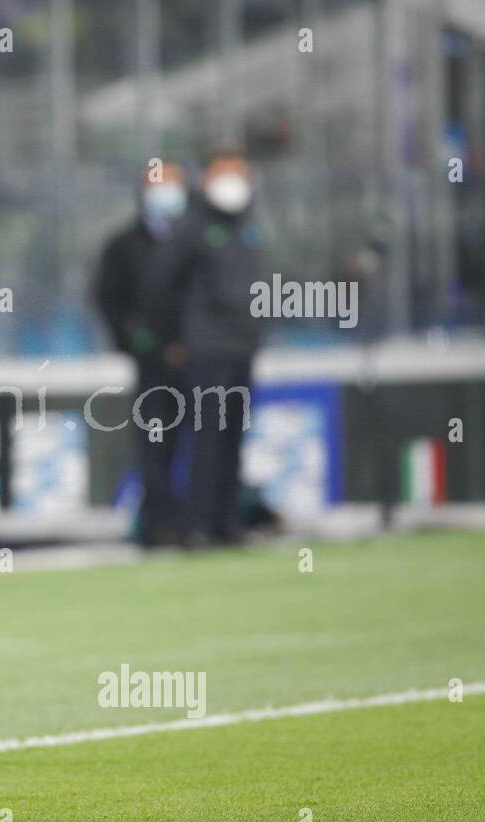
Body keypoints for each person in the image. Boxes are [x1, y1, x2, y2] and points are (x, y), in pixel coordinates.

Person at [156, 148, 265, 548]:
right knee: (206, 437)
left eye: (239, 172)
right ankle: (197, 525)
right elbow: (165, 286)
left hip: (241, 348)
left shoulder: (248, 226)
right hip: (206, 350)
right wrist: (175, 340)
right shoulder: (192, 227)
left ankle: (226, 521)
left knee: (233, 437)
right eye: (225, 173)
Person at [95, 162, 188, 547]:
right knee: (154, 443)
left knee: (209, 444)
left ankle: (204, 521)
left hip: (202, 360)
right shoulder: (124, 245)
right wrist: (141, 343)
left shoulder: (195, 239)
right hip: (152, 364)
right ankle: (158, 525)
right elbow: (110, 300)